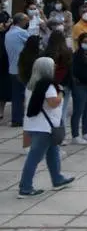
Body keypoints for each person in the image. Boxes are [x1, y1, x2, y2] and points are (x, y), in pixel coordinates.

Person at [18, 57, 74, 197]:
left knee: (53, 153)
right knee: (34, 157)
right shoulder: (47, 86)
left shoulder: (31, 85)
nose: (55, 67)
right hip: (45, 128)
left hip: (36, 125)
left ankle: (57, 179)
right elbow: (53, 103)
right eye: (52, 65)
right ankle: (25, 187)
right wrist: (61, 92)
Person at [5, 13, 30, 126]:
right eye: (25, 20)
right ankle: (24, 117)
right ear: (20, 21)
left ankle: (16, 119)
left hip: (12, 68)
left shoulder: (8, 33)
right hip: (22, 69)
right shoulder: (22, 33)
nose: (27, 23)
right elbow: (33, 43)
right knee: (25, 94)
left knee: (16, 96)